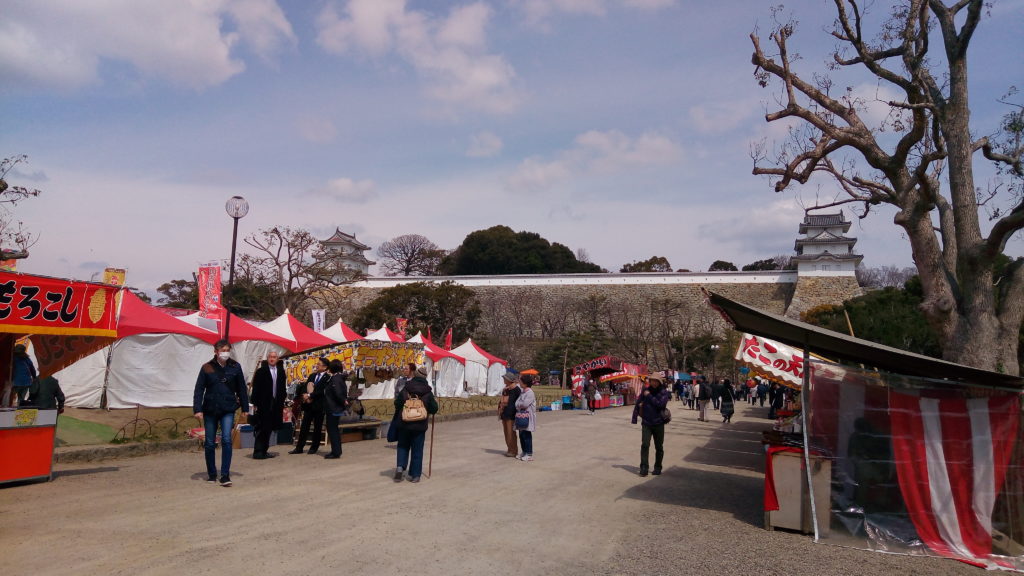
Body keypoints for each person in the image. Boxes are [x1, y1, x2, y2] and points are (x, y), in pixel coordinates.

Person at [193, 339, 249, 487]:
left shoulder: (235, 366)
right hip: (210, 408)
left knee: (226, 439)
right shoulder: (207, 367)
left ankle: (225, 474)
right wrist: (197, 409)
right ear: (216, 351)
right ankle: (212, 473)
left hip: (228, 408)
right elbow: (199, 389)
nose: (225, 353)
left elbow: (241, 388)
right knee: (210, 442)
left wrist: (245, 408)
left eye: (227, 350)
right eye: (223, 350)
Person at [393, 365, 438, 483]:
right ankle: (415, 475)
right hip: (420, 425)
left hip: (405, 422)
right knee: (417, 449)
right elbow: (434, 408)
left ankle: (400, 467)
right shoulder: (428, 391)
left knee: (403, 446)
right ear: (425, 378)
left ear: (415, 375)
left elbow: (397, 403)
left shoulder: (407, 387)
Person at [631, 374, 671, 477]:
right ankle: (644, 467)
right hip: (646, 423)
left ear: (659, 382)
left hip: (659, 423)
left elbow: (660, 405)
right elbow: (638, 403)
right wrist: (634, 418)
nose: (654, 382)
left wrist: (649, 396)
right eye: (652, 380)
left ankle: (658, 467)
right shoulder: (645, 390)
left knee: (659, 447)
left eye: (656, 381)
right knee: (645, 445)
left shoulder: (663, 392)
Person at [249, 350, 286, 460]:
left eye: (274, 357)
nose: (272, 359)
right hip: (263, 403)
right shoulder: (261, 371)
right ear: (267, 358)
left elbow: (282, 387)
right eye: (270, 357)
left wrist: (282, 399)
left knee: (269, 427)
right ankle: (258, 451)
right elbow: (256, 388)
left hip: (276, 403)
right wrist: (255, 403)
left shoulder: (280, 371)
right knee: (262, 427)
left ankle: (264, 450)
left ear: (277, 359)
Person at [290, 357, 329, 455]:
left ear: (325, 367)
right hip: (308, 405)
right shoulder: (312, 375)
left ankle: (314, 447)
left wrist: (311, 395)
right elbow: (305, 386)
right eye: (317, 364)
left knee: (317, 427)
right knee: (304, 427)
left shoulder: (327, 378)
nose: (317, 365)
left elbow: (322, 391)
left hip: (319, 406)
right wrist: (305, 395)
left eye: (319, 364)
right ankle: (299, 448)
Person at [323, 360, 349, 460]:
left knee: (332, 429)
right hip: (335, 407)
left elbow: (338, 392)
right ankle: (336, 450)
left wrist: (343, 401)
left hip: (333, 407)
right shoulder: (339, 377)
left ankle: (336, 451)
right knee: (334, 429)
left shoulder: (335, 379)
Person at [514, 375, 536, 461]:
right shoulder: (523, 392)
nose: (519, 383)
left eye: (521, 381)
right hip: (521, 416)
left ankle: (529, 453)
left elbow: (525, 404)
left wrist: (519, 404)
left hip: (527, 417)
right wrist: (519, 404)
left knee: (527, 435)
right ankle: (524, 451)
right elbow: (517, 403)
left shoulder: (530, 393)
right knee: (521, 435)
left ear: (525, 383)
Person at [497, 372, 520, 457]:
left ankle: (513, 450)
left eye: (505, 378)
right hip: (504, 413)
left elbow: (518, 402)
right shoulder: (505, 389)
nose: (504, 380)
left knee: (511, 433)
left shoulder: (516, 389)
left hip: (511, 414)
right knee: (506, 432)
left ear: (509, 380)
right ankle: (509, 449)